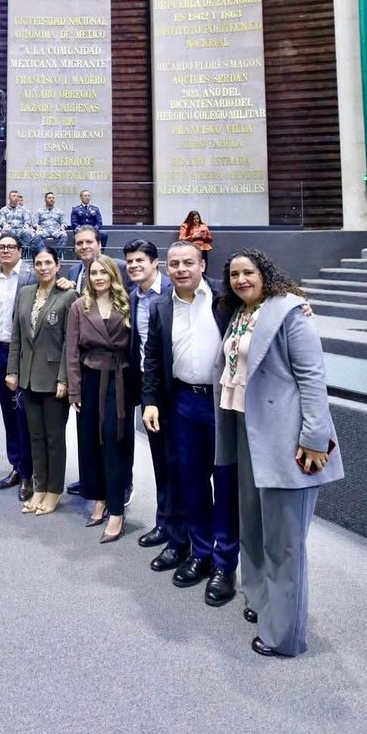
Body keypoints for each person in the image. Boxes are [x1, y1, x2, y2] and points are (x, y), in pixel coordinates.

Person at [215, 249, 344, 656]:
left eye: (247, 272)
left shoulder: (291, 310)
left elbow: (312, 377)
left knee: (285, 541)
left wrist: (314, 438)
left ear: (264, 273)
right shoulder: (239, 313)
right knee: (251, 527)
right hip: (245, 432)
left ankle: (284, 635)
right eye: (234, 274)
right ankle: (260, 600)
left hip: (287, 439)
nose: (240, 280)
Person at [141, 240, 238, 606]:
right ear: (166, 268)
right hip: (181, 402)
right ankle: (200, 553)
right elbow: (152, 359)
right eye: (174, 263)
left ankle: (225, 563)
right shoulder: (160, 306)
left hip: (222, 405)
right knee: (192, 483)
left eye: (188, 262)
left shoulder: (224, 299)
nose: (181, 269)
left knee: (226, 485)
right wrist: (150, 400)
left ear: (202, 265)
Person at [66, 256, 133, 543]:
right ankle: (99, 498)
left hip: (118, 379)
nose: (98, 277)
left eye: (103, 272)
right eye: (93, 273)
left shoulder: (128, 303)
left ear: (113, 275)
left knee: (115, 442)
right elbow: (71, 352)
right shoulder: (79, 306)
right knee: (91, 441)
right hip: (89, 378)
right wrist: (74, 391)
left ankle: (117, 509)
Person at [6, 246, 75, 515]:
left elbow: (71, 342)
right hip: (28, 378)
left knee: (54, 439)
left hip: (55, 380)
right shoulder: (24, 294)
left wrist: (64, 378)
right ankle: (39, 487)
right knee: (35, 437)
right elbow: (17, 336)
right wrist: (13, 371)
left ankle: (54, 491)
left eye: (48, 262)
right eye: (38, 263)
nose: (43, 267)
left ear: (58, 265)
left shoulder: (69, 295)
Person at [125, 239, 173, 548]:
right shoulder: (133, 297)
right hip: (148, 386)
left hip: (179, 387)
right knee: (160, 459)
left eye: (140, 260)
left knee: (185, 463)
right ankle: (165, 523)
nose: (134, 266)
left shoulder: (174, 291)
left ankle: (192, 533)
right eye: (129, 261)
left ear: (156, 263)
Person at [0, 234, 35, 500]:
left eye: (10, 247)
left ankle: (29, 472)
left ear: (20, 250)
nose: (5, 251)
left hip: (24, 355)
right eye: (1, 247)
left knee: (24, 414)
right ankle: (16, 465)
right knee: (8, 412)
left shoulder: (30, 274)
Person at [31, 191, 68, 255]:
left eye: (53, 198)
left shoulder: (59, 211)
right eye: (49, 198)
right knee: (37, 235)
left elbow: (64, 222)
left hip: (55, 230)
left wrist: (62, 227)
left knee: (64, 235)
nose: (51, 199)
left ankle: (56, 254)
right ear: (45, 199)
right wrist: (37, 227)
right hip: (44, 230)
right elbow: (34, 222)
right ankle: (43, 252)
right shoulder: (39, 211)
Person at [0, 190, 33, 255]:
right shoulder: (3, 210)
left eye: (17, 196)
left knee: (27, 232)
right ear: (9, 198)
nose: (16, 198)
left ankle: (24, 253)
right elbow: (1, 221)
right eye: (14, 196)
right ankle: (8, 252)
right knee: (5, 231)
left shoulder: (24, 210)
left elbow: (27, 220)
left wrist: (26, 225)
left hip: (20, 230)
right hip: (10, 230)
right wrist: (5, 224)